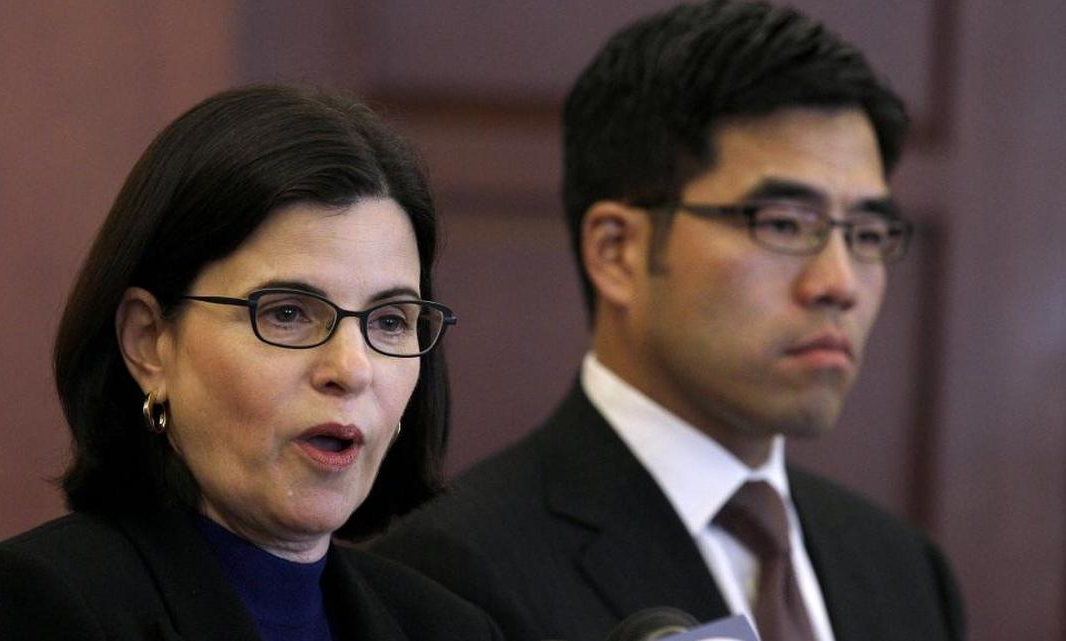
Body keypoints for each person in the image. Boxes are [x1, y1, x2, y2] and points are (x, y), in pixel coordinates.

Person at [372, 2, 965, 641]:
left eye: (869, 233)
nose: (841, 284)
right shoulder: (454, 573)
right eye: (786, 225)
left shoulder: (905, 571)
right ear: (617, 251)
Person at [0, 84, 501, 641]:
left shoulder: (450, 627)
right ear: (149, 342)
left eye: (390, 321)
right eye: (286, 314)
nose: (351, 369)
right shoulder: (33, 606)